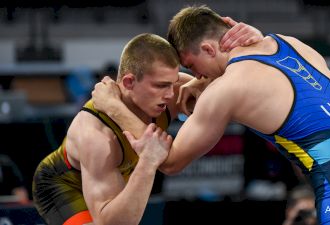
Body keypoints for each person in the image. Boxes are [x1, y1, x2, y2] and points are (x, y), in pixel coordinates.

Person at [92, 5, 330, 225]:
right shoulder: (292, 43)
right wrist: (201, 82)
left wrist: (112, 107)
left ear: (210, 49)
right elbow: (259, 75)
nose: (196, 76)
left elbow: (169, 161)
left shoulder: (226, 90)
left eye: (192, 66)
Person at [32, 21, 262, 225]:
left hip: (113, 172)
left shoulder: (174, 88)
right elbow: (113, 223)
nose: (171, 94)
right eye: (161, 86)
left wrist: (251, 42)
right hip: (63, 184)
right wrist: (148, 163)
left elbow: (238, 84)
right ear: (130, 81)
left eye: (173, 82)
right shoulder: (96, 136)